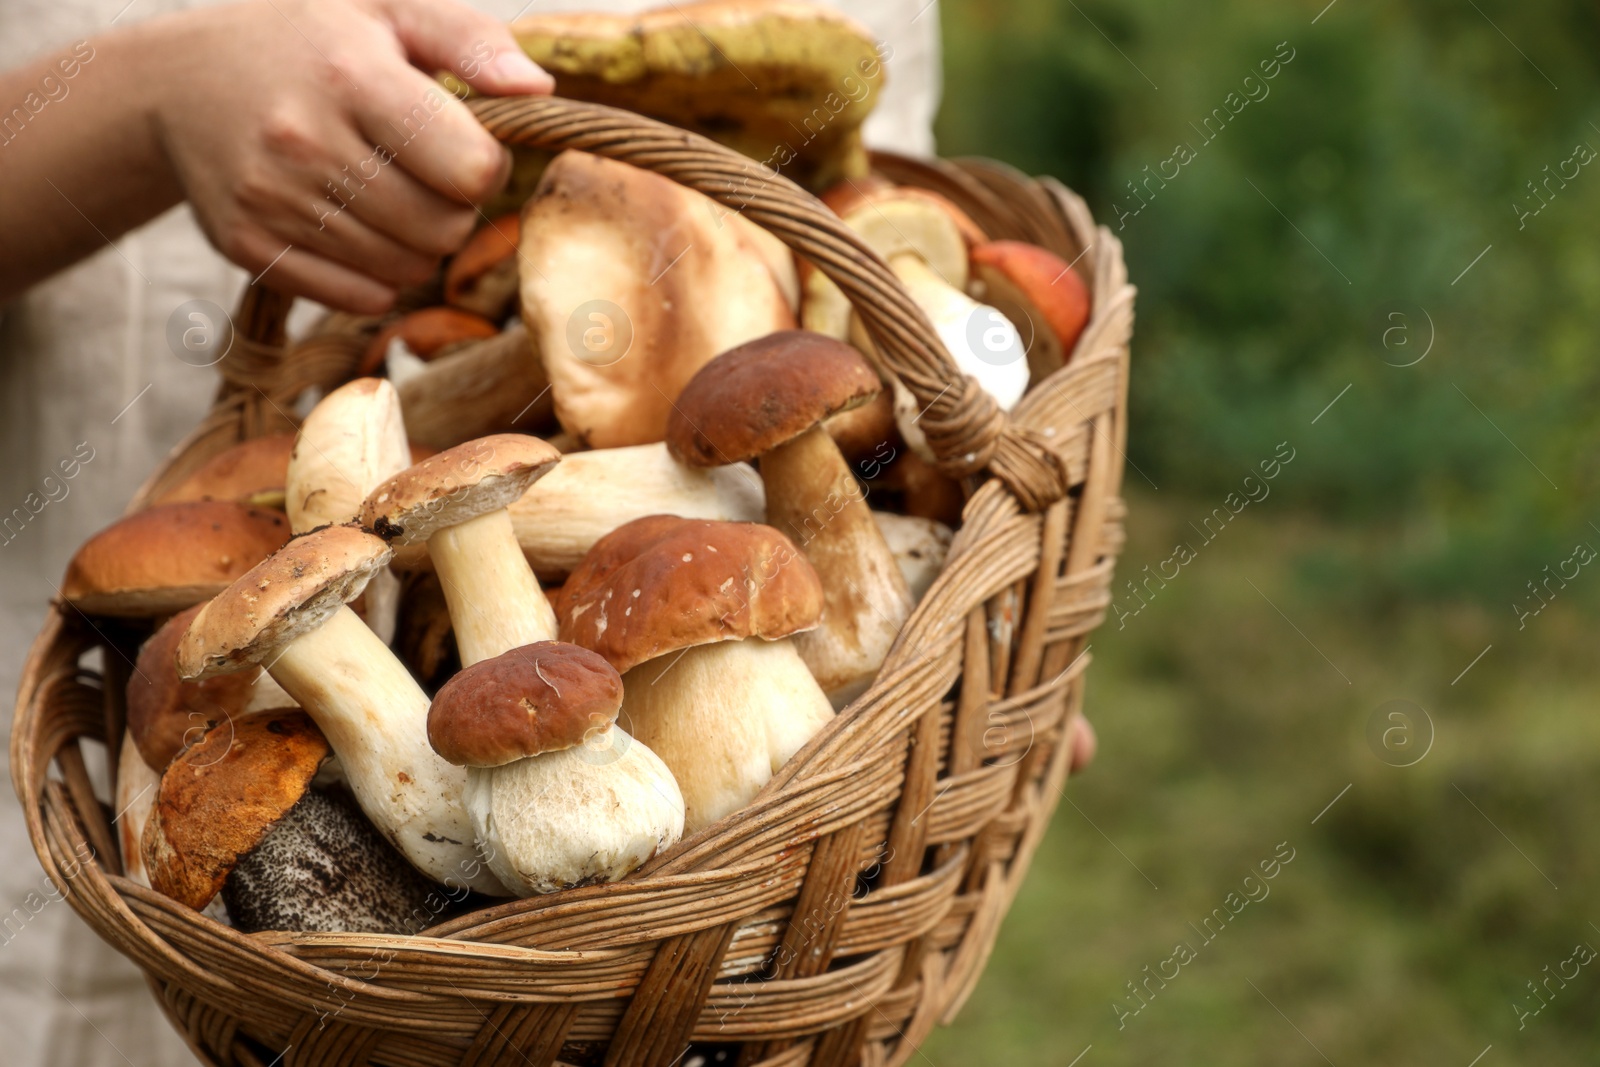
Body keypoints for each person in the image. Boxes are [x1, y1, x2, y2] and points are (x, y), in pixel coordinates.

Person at [0, 2, 1085, 1063]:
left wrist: (1006, 632)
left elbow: (866, 223)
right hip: (108, 672)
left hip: (775, 952)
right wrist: (150, 98)